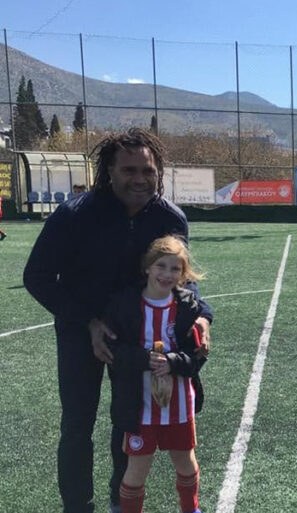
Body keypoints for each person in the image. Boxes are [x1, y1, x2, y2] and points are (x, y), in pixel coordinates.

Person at [23, 128, 213, 513]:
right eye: (129, 170)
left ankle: (118, 503)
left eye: (148, 170)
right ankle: (77, 506)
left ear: (159, 172)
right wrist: (89, 321)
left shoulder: (169, 217)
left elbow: (180, 277)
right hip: (80, 333)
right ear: (109, 170)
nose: (139, 179)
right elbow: (37, 277)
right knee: (77, 424)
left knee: (127, 422)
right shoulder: (74, 215)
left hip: (135, 341)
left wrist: (203, 315)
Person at [105, 236, 206, 513]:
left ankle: (191, 509)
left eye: (175, 269)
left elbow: (197, 355)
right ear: (147, 267)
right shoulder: (126, 305)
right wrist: (143, 359)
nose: (167, 274)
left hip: (179, 403)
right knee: (137, 468)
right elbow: (113, 351)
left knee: (185, 461)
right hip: (139, 405)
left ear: (183, 274)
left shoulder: (188, 307)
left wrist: (173, 362)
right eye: (161, 266)